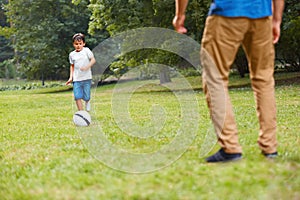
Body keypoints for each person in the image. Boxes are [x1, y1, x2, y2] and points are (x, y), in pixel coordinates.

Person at [173, 0, 285, 162]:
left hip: (227, 14)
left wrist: (179, 15)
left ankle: (230, 147)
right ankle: (270, 147)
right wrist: (276, 20)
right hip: (262, 16)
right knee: (264, 79)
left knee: (215, 77)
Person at [66, 33, 96, 111]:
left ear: (84, 43)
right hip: (77, 79)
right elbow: (72, 66)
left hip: (87, 78)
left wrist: (87, 67)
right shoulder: (72, 54)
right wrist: (71, 77)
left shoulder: (86, 51)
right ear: (73, 44)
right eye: (76, 44)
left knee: (86, 96)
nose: (78, 45)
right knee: (77, 96)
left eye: (80, 44)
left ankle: (87, 101)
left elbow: (93, 60)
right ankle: (81, 113)